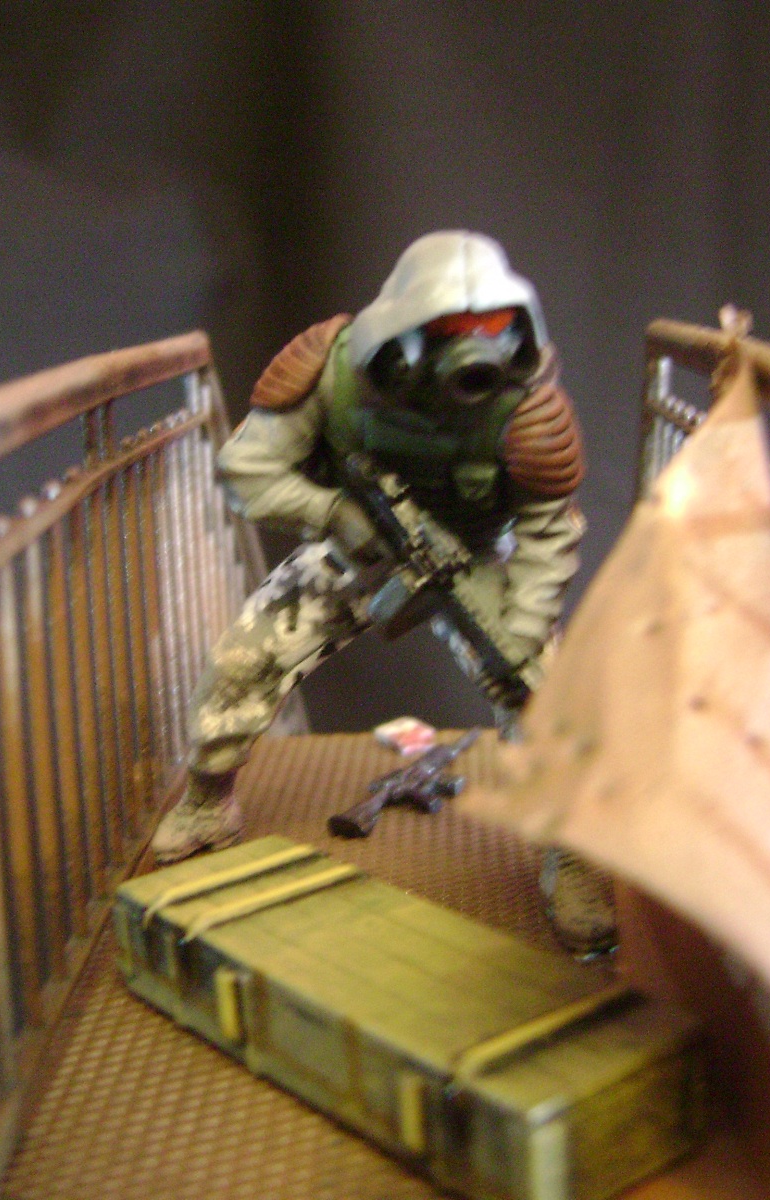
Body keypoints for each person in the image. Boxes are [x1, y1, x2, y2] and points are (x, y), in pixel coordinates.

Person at [151, 230, 614, 953]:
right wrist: (334, 513)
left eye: (495, 326)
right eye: (454, 331)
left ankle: (572, 856)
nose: (478, 349)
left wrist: (522, 628)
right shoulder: (334, 373)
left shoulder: (526, 405)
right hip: (356, 551)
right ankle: (207, 799)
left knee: (544, 695)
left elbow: (550, 531)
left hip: (476, 562)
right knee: (246, 658)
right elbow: (247, 471)